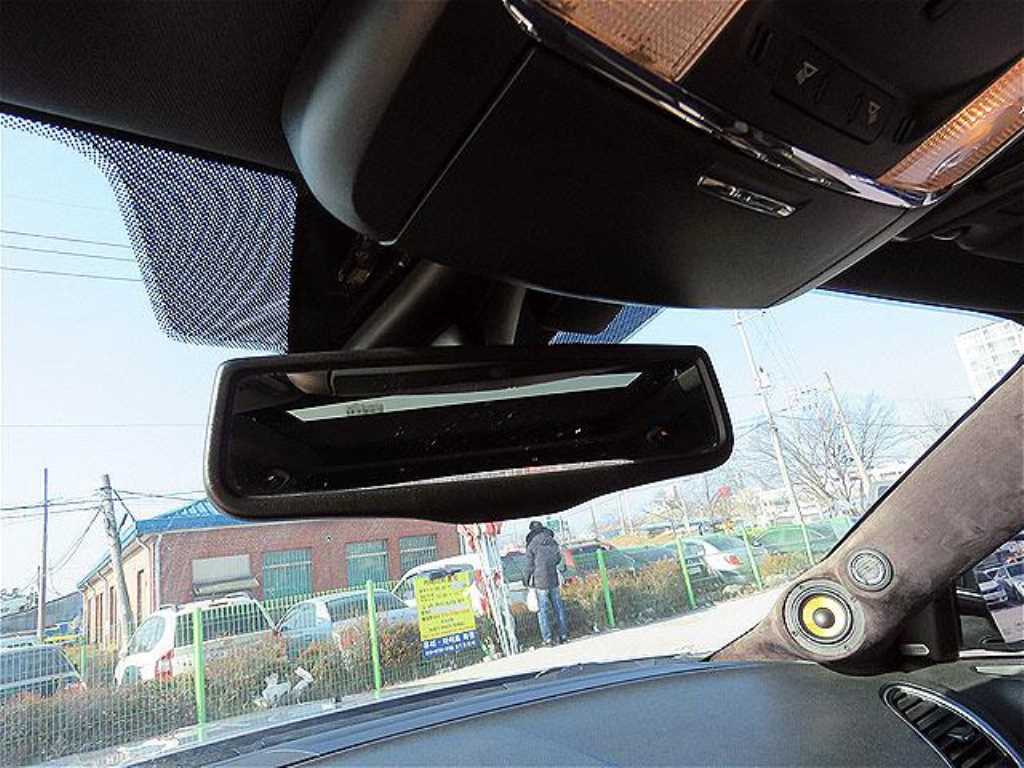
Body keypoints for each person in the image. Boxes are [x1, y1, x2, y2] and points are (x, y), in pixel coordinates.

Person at [524, 520, 568, 645]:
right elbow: (558, 559)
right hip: (553, 578)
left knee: (543, 611)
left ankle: (547, 638)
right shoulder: (552, 541)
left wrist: (526, 580)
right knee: (558, 607)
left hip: (540, 581)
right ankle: (563, 635)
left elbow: (529, 566)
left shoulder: (532, 544)